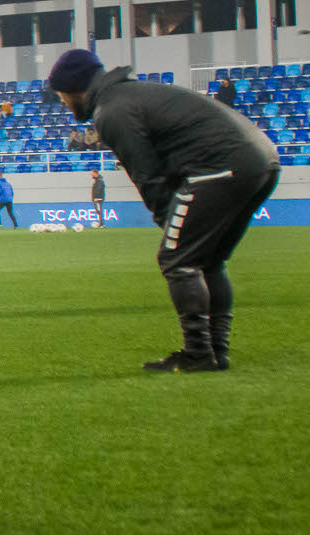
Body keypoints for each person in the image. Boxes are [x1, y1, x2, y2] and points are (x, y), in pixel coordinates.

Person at [47, 48, 279, 371]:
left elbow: (147, 176)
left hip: (223, 165)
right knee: (208, 260)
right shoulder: (129, 95)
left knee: (178, 258)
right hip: (260, 159)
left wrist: (167, 221)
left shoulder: (111, 111)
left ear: (75, 89)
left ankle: (199, 354)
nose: (62, 102)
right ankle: (215, 352)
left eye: (61, 95)